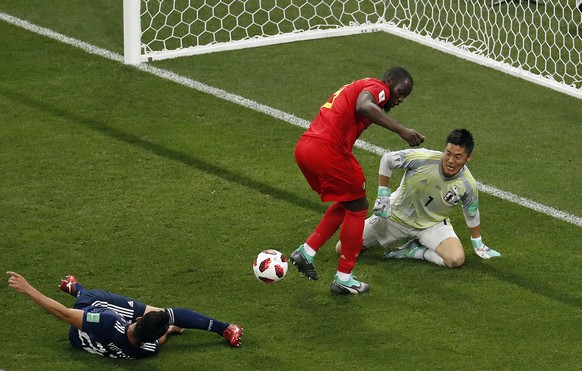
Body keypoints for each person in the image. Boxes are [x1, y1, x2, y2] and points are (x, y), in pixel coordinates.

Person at [291, 67, 425, 295]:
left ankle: (306, 252)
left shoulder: (361, 84)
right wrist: (402, 130)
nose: (400, 99)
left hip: (306, 147)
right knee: (359, 206)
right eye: (400, 92)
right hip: (328, 150)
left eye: (405, 97)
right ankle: (343, 277)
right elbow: (364, 105)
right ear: (389, 81)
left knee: (349, 202)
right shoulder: (379, 88)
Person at [336, 129, 500, 268]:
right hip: (396, 216)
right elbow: (388, 160)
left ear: (468, 158)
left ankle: (415, 251)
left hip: (431, 224)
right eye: (448, 153)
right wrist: (383, 196)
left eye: (457, 157)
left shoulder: (468, 184)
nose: (450, 161)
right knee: (342, 248)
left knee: (456, 259)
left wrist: (477, 242)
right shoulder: (423, 159)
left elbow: (471, 212)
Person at [6, 272, 243, 358]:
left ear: (137, 321)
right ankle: (224, 327)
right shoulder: (147, 350)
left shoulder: (110, 321)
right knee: (160, 314)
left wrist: (28, 289)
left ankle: (76, 288)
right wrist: (168, 328)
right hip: (83, 338)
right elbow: (157, 340)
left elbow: (65, 314)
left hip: (82, 331)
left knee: (88, 301)